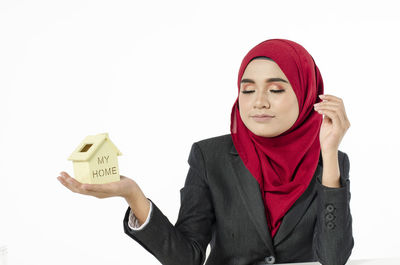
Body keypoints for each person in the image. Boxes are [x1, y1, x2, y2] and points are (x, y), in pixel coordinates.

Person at [58, 38, 354, 265]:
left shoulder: (331, 163)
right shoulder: (209, 157)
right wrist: (133, 195)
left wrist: (328, 155)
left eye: (275, 90)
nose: (258, 102)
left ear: (306, 96)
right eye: (247, 90)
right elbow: (188, 257)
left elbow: (333, 258)